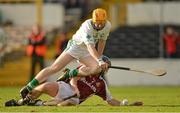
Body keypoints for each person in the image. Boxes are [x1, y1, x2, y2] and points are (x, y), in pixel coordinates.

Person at [20, 8, 111, 100]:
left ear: (105, 20)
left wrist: (99, 59)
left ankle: (70, 73)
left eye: (101, 22)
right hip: (75, 47)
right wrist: (99, 60)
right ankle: (29, 86)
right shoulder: (87, 26)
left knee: (97, 69)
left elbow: (102, 42)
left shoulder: (107, 26)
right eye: (97, 22)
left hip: (86, 52)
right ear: (93, 19)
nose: (99, 24)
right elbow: (90, 47)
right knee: (55, 68)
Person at [5, 56, 143, 107]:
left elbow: (110, 100)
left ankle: (38, 104)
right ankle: (21, 102)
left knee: (64, 104)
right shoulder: (86, 68)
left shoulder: (101, 84)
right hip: (66, 88)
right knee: (44, 86)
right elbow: (74, 78)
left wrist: (128, 105)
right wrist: (75, 88)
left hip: (75, 100)